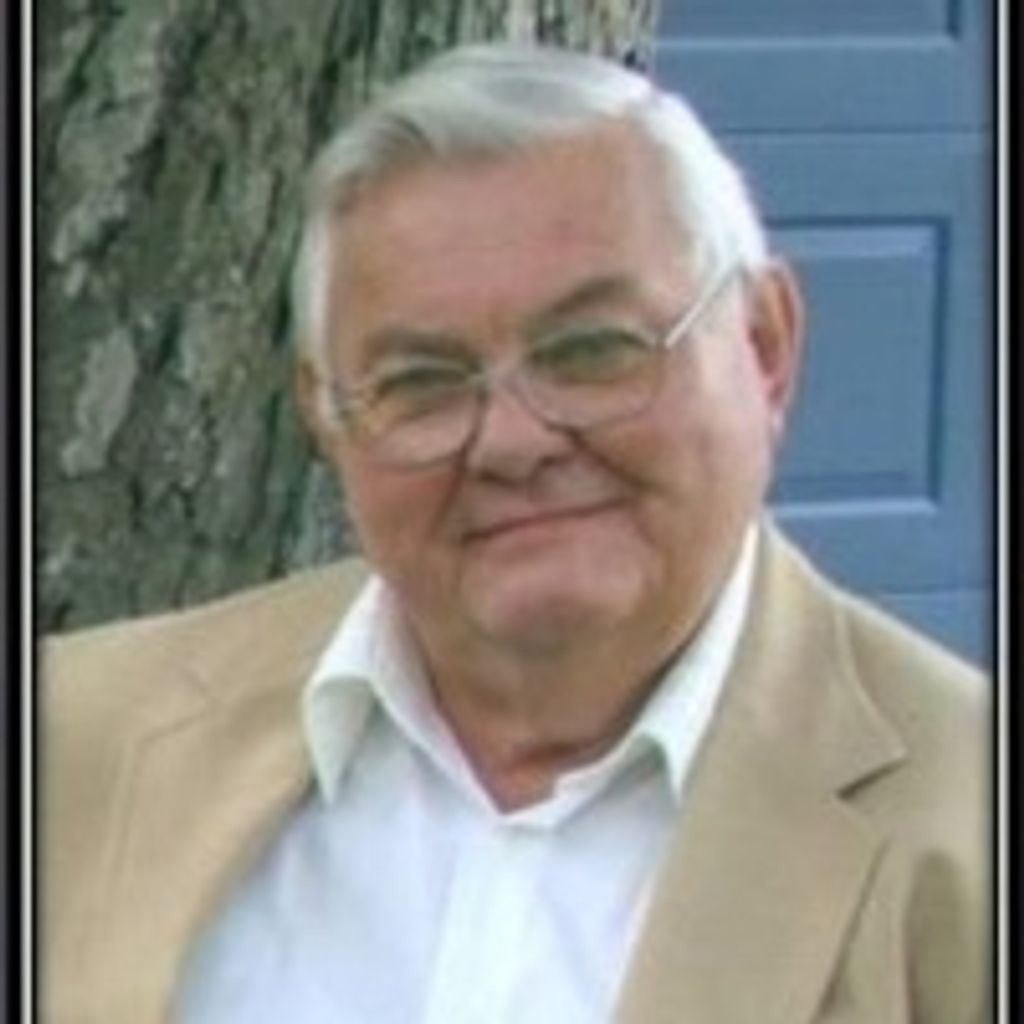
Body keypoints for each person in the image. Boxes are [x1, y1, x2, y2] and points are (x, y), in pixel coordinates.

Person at [42, 43, 989, 1024]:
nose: (512, 440)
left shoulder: (969, 826)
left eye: (592, 351)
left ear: (764, 345)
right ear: (327, 415)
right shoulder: (73, 742)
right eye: (419, 383)